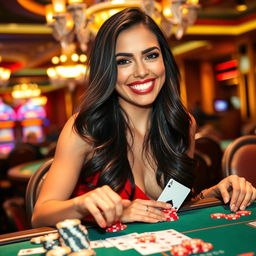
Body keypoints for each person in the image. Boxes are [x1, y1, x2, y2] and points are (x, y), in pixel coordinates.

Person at [32, 7, 256, 229]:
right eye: (123, 61)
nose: (141, 71)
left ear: (164, 60)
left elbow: (170, 206)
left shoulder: (182, 124)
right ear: (107, 69)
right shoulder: (85, 129)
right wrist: (83, 205)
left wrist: (214, 193)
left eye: (150, 56)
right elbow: (40, 215)